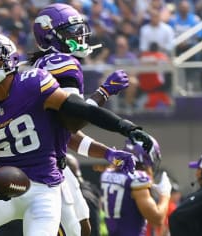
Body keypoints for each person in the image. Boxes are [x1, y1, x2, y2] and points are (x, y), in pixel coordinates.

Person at [0, 33, 154, 236]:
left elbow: (82, 111)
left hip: (43, 188)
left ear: (11, 57)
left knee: (77, 229)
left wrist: (125, 126)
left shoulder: (33, 83)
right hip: (4, 186)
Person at [31, 4, 152, 236]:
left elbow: (66, 134)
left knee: (84, 227)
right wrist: (104, 93)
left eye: (79, 30)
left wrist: (107, 153)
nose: (79, 36)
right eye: (70, 32)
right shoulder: (60, 62)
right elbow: (73, 119)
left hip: (49, 160)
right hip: (43, 169)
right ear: (50, 36)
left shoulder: (44, 65)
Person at [100, 137, 172, 236]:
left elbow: (117, 164)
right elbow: (157, 219)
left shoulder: (108, 172)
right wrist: (165, 195)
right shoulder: (137, 178)